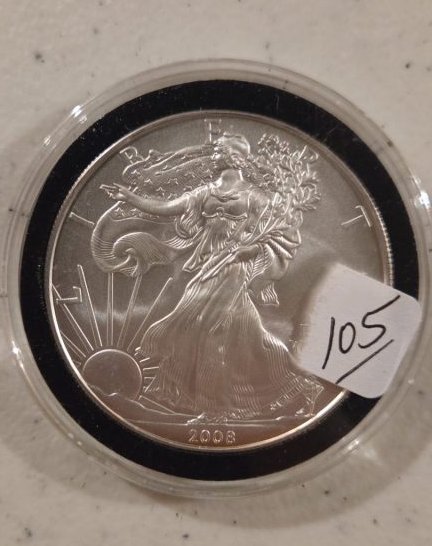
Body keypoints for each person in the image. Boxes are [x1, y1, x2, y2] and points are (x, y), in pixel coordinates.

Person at [91, 132, 322, 419]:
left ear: (234, 156)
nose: (213, 154)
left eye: (219, 150)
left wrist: (251, 249)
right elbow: (166, 209)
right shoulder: (205, 192)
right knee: (248, 334)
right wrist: (130, 198)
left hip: (234, 268)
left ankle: (215, 408)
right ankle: (299, 384)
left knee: (211, 329)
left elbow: (282, 231)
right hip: (209, 263)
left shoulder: (255, 196)